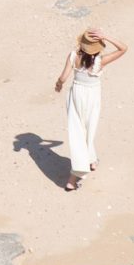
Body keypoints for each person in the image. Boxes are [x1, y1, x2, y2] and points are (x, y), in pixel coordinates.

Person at [52, 27, 129, 190]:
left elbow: (63, 77)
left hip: (75, 95)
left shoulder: (73, 56)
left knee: (78, 130)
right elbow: (124, 48)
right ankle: (73, 179)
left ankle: (92, 160)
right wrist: (106, 36)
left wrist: (58, 85)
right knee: (88, 130)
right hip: (91, 97)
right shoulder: (99, 62)